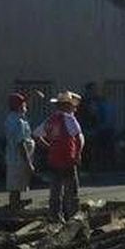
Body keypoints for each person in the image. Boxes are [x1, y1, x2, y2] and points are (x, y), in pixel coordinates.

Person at [39, 91, 84, 221]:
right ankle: (73, 217)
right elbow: (78, 138)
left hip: (54, 159)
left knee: (55, 191)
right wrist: (78, 155)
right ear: (67, 105)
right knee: (72, 191)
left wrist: (49, 147)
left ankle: (55, 217)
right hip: (68, 158)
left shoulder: (51, 119)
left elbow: (37, 136)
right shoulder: (69, 118)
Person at [4, 92, 36, 212]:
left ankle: (16, 203)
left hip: (16, 157)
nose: (26, 106)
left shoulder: (13, 118)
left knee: (18, 183)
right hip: (19, 158)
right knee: (15, 184)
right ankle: (14, 206)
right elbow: (20, 143)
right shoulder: (18, 122)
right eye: (24, 104)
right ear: (19, 106)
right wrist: (28, 163)